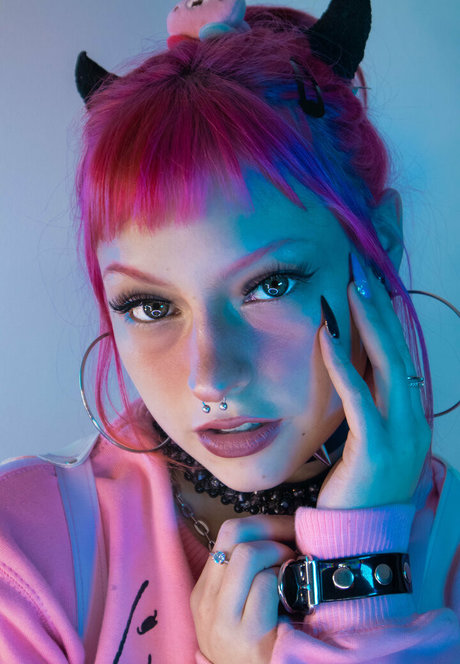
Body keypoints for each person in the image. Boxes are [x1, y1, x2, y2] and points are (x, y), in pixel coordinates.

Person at [0, 1, 459, 662]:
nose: (210, 376)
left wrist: (360, 563)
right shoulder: (21, 556)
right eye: (151, 307)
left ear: (380, 243)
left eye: (269, 285)